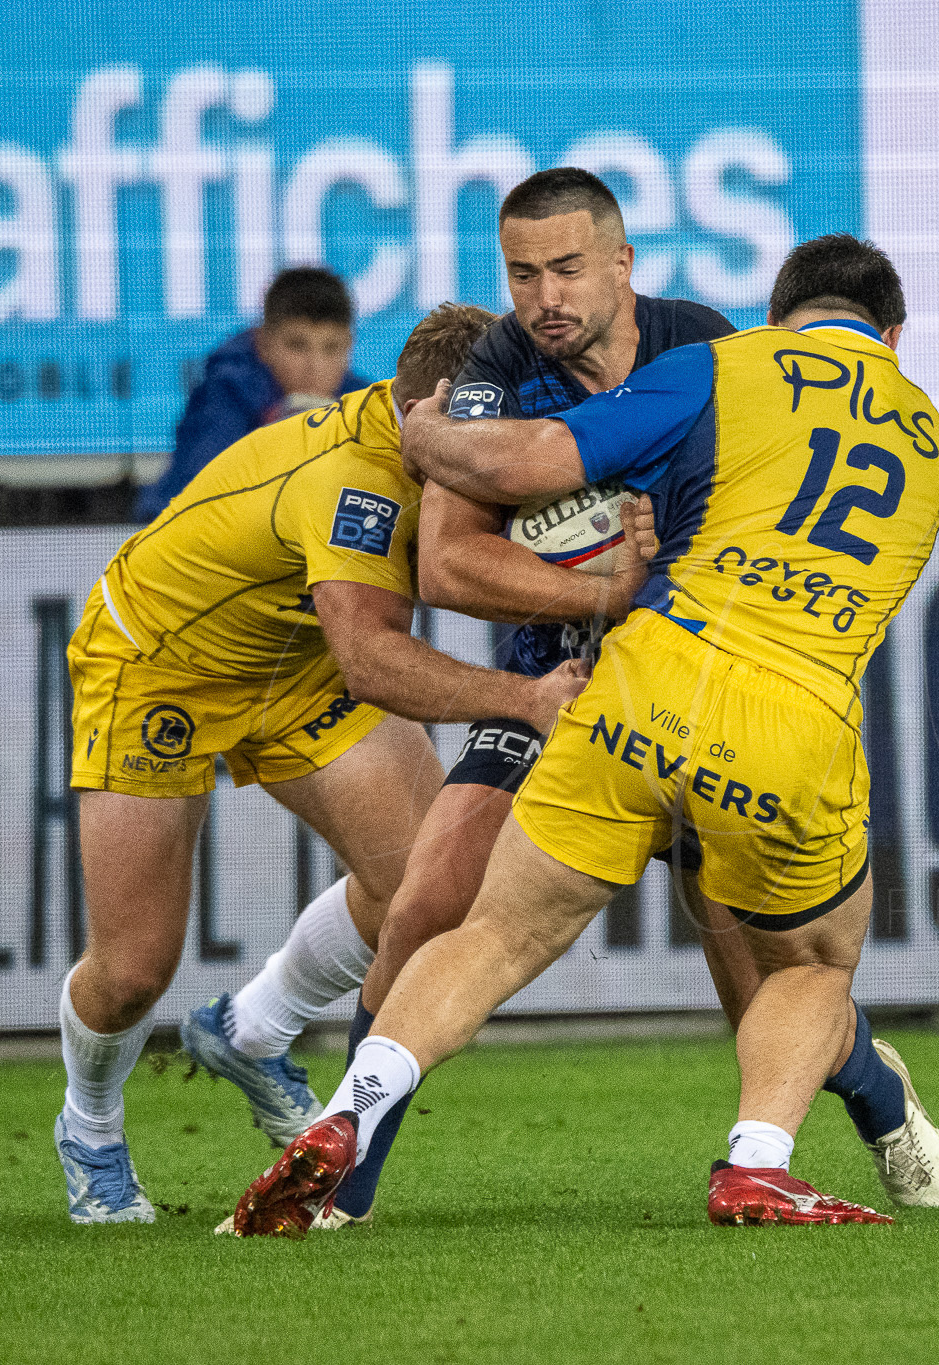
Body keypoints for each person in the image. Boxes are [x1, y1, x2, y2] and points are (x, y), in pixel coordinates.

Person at [227, 233, 939, 1234]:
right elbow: (455, 561)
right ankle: (746, 1166)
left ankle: (875, 1099)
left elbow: (550, 461)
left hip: (638, 689)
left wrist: (429, 440)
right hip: (698, 706)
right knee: (797, 966)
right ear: (894, 337)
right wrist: (601, 565)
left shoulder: (710, 357)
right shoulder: (929, 436)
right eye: (530, 276)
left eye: (563, 273)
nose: (548, 298)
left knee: (564, 946)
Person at [55, 303, 591, 1224]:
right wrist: (526, 697)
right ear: (431, 406)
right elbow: (374, 660)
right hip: (160, 665)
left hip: (294, 665)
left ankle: (252, 1028)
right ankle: (90, 1126)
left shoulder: (442, 432)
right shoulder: (359, 483)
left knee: (427, 886)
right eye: (499, 420)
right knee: (134, 967)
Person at [133, 267, 369, 520]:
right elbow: (199, 499)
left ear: (350, 346)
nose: (315, 366)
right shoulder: (225, 394)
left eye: (332, 348)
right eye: (297, 346)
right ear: (264, 344)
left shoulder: (365, 403)